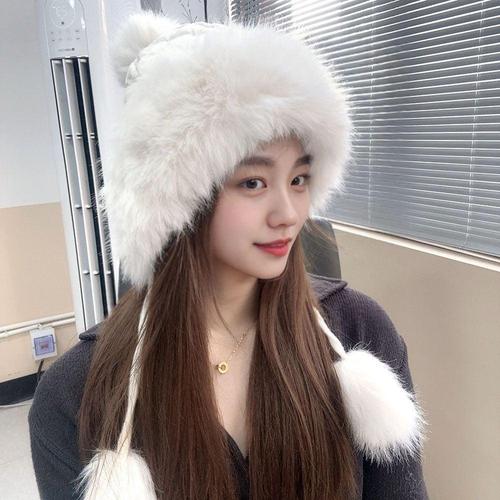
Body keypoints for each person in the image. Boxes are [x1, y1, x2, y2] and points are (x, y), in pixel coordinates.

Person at [28, 11, 429, 500]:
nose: (289, 214)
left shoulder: (360, 333)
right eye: (253, 182)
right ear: (175, 196)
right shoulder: (75, 395)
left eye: (299, 179)